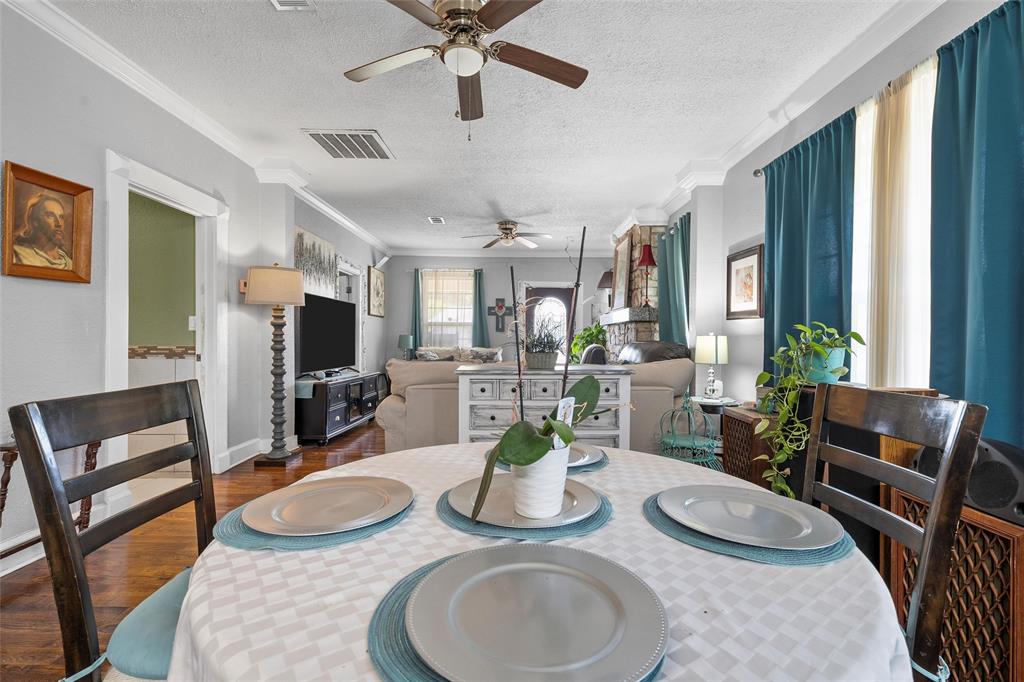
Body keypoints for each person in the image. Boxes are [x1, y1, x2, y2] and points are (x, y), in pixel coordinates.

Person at [12, 193, 72, 269]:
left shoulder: (69, 264)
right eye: (50, 216)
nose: (59, 223)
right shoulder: (18, 254)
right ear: (35, 221)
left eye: (61, 217)